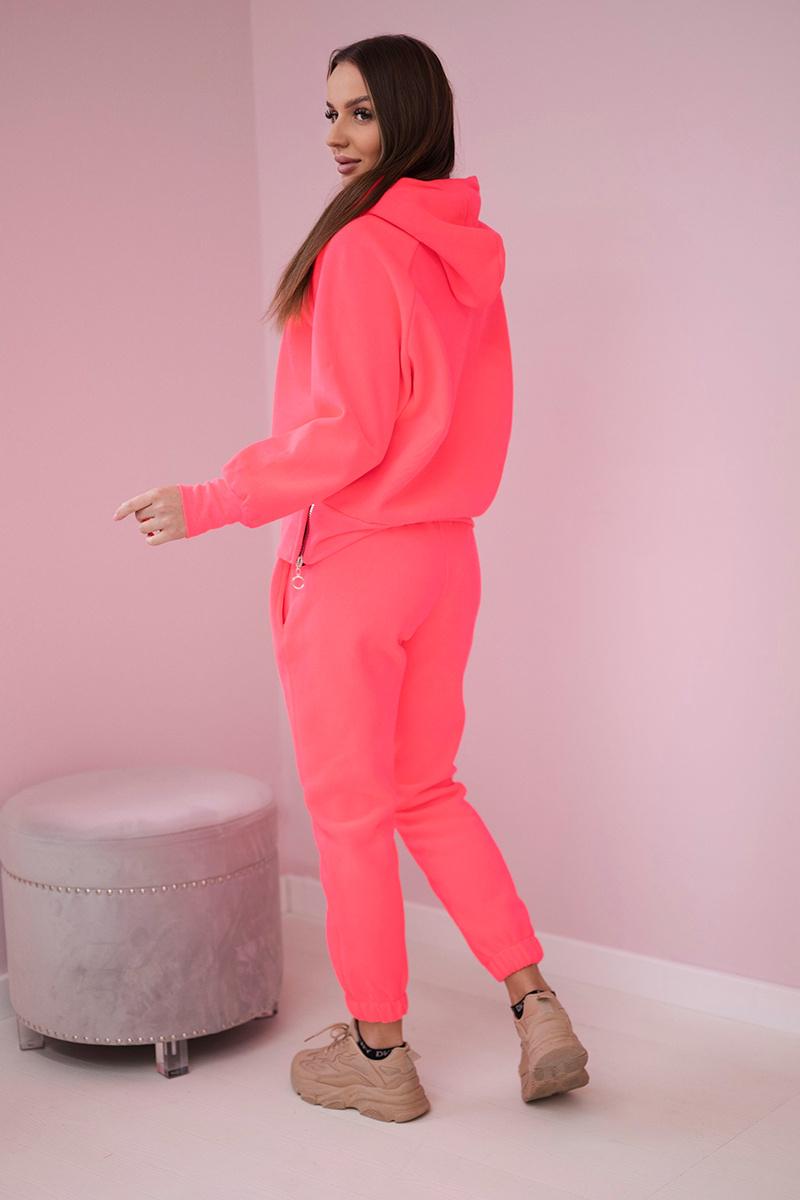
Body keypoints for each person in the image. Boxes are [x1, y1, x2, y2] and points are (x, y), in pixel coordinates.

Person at [114, 33, 589, 1122]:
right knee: (426, 789)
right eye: (329, 112)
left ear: (412, 117)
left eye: (362, 113)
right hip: (447, 557)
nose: (337, 135)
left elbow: (349, 434)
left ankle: (378, 1055)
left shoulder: (364, 246)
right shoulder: (466, 256)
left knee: (352, 814)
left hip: (358, 558)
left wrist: (211, 499)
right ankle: (537, 1006)